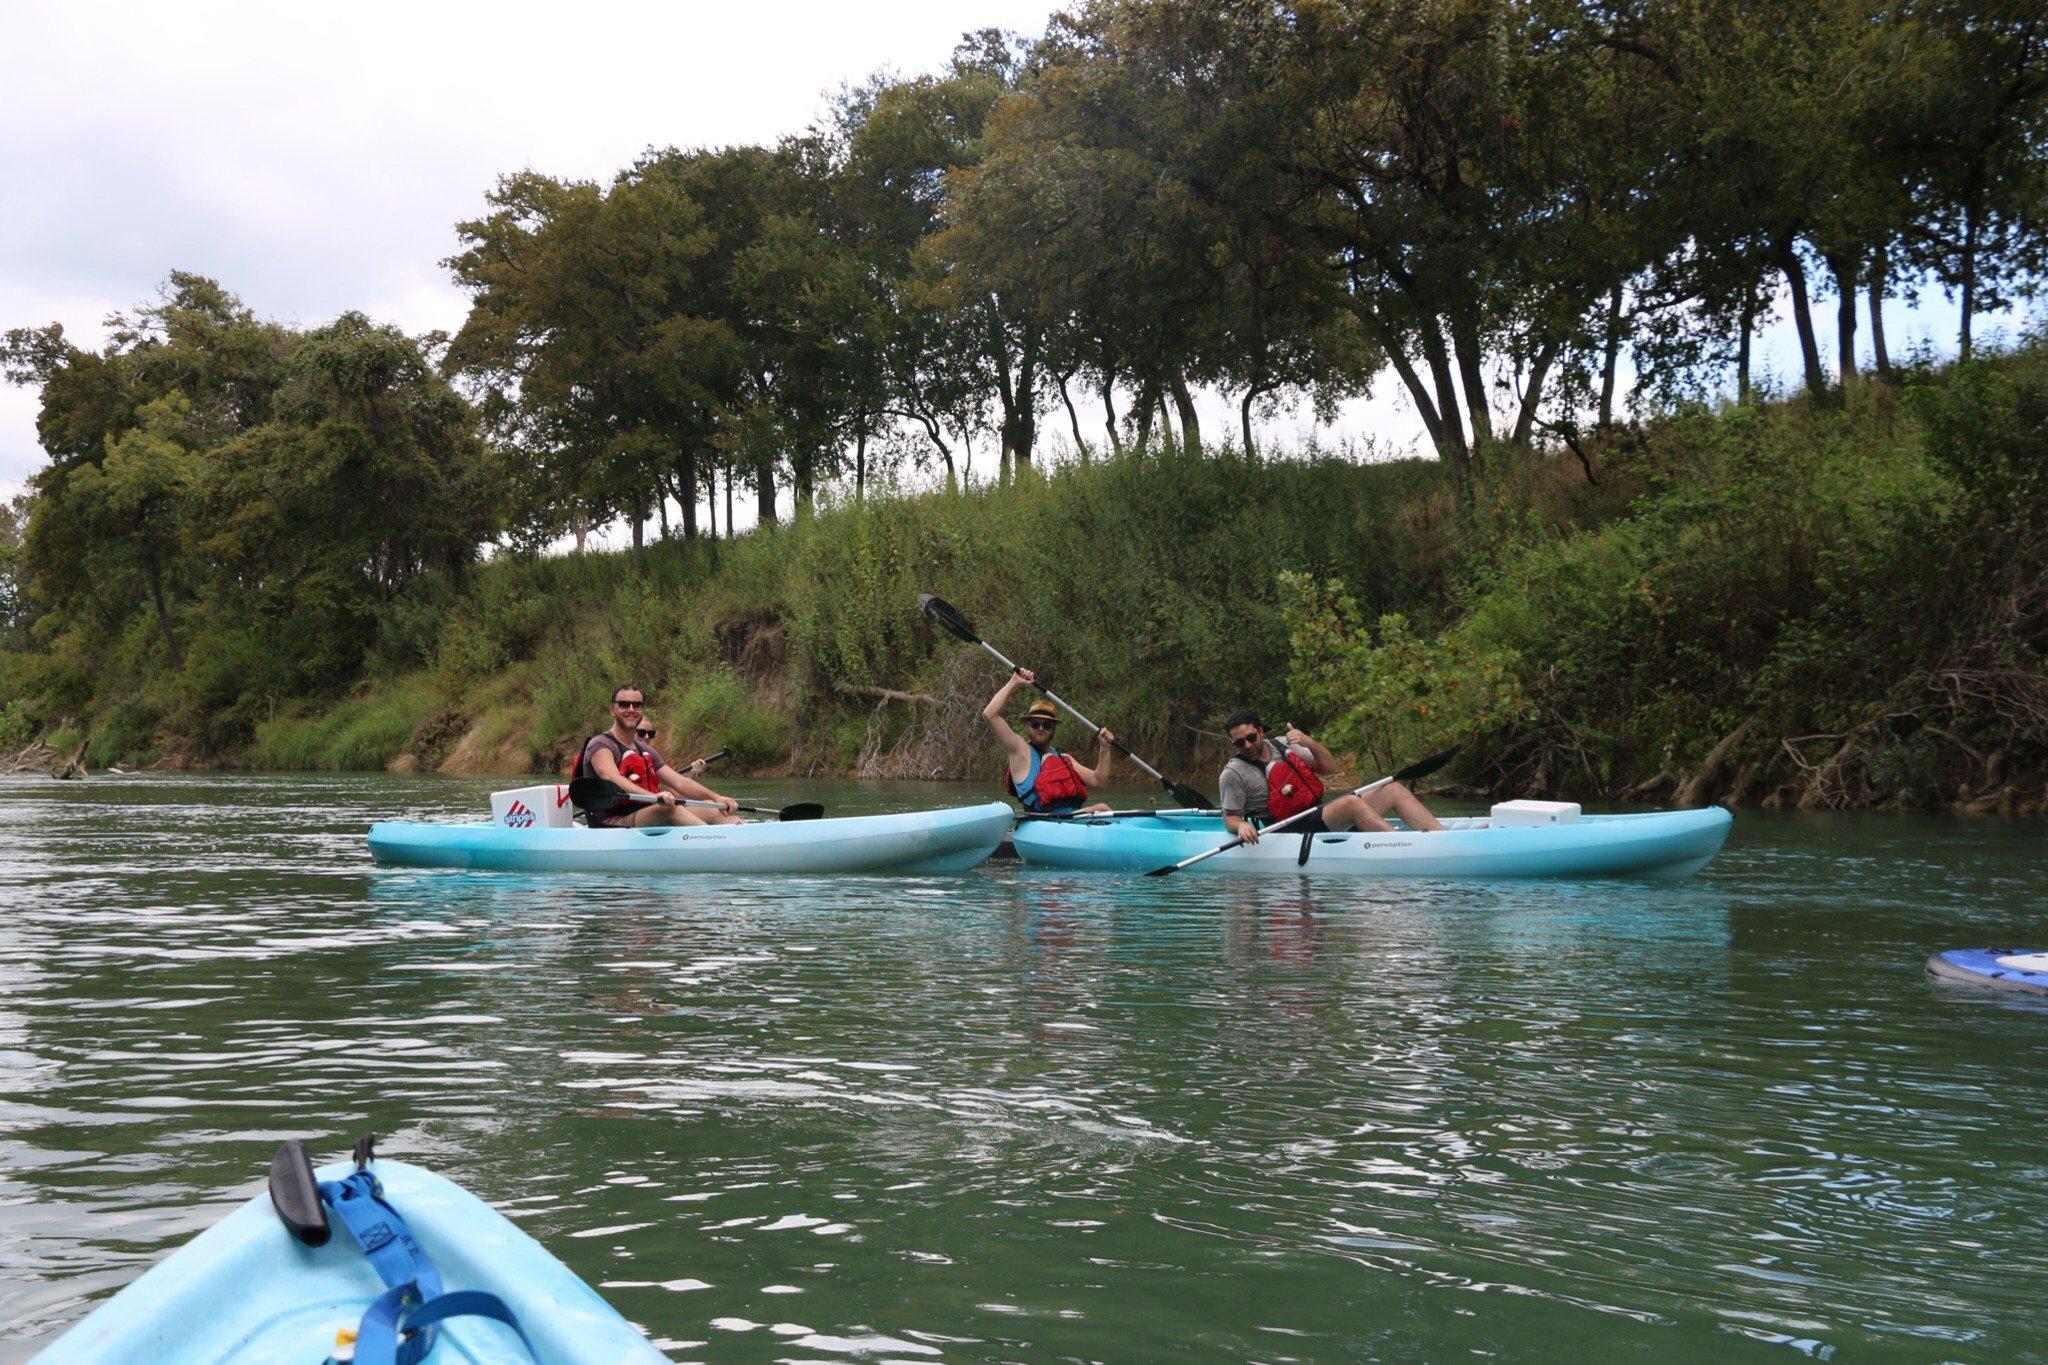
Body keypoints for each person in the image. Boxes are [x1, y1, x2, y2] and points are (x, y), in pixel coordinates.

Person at [1218, 708, 1445, 843]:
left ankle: (1443, 839)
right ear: (1232, 742)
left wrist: (1309, 742)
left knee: (1392, 788)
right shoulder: (1233, 773)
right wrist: (1241, 827)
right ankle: (1404, 847)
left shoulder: (1284, 744)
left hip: (1317, 814)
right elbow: (1231, 817)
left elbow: (1328, 768)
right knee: (1350, 804)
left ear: (1260, 730)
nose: (1246, 745)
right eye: (1239, 742)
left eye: (1250, 738)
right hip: (1286, 830)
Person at [573, 684, 741, 828]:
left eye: (637, 705)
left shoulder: (643, 749)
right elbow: (612, 778)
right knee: (668, 807)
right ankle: (714, 843)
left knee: (712, 807)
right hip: (612, 823)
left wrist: (717, 797)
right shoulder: (600, 745)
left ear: (642, 710)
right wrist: (654, 797)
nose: (631, 709)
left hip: (647, 815)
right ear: (613, 709)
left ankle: (744, 834)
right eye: (624, 704)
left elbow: (678, 781)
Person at [982, 668, 1115, 815]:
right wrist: (1014, 681)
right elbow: (990, 715)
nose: (1040, 728)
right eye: (1035, 724)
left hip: (1073, 821)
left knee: (1136, 811)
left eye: (1046, 725)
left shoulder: (1064, 759)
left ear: (1053, 728)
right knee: (1102, 808)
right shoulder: (1020, 752)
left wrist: (1105, 748)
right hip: (1043, 823)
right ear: (1029, 726)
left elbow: (1099, 780)